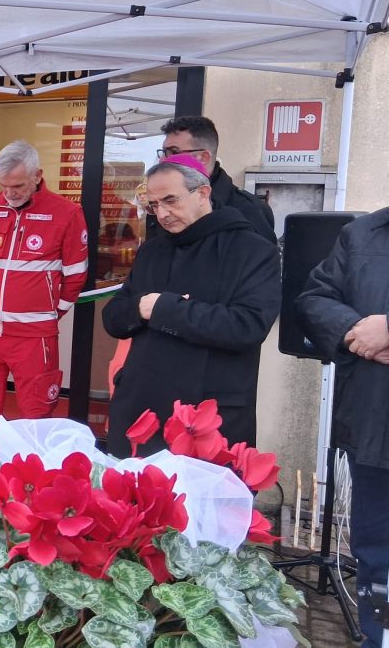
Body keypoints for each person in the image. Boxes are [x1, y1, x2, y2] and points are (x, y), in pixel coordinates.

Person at [102, 155, 280, 456]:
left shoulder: (253, 250)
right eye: (154, 205)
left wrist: (164, 309)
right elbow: (113, 318)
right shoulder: (152, 250)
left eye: (171, 200)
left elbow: (248, 326)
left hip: (207, 415)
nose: (163, 213)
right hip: (142, 407)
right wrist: (142, 308)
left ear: (202, 193)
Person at [296, 207, 389, 647]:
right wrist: (353, 331)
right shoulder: (363, 233)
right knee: (376, 553)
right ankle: (379, 637)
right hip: (374, 428)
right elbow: (315, 298)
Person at [0, 141, 88, 458]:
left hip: (34, 336)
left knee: (36, 412)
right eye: (3, 185)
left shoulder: (67, 213)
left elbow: (76, 275)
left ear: (37, 176)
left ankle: (30, 476)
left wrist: (52, 312)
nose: (9, 193)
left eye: (18, 186)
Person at [158, 116, 276, 244]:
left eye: (173, 152)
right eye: (163, 152)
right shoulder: (160, 204)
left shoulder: (248, 210)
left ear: (203, 157)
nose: (163, 160)